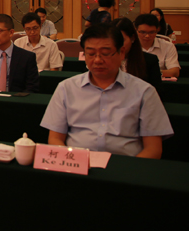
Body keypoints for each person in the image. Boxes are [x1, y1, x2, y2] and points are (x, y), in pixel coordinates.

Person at [40, 24, 173, 158]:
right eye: (91, 54)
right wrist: (72, 163)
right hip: (77, 164)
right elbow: (55, 139)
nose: (97, 60)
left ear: (121, 53)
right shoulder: (66, 88)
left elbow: (153, 149)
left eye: (105, 53)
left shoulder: (144, 92)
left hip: (126, 165)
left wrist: (129, 169)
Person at [112, 17, 162, 88]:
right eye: (113, 41)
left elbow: (156, 91)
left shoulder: (149, 61)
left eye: (121, 41)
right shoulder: (103, 61)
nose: (117, 45)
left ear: (132, 38)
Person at [134, 13, 180, 78]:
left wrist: (153, 72)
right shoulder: (129, 45)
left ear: (157, 30)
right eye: (143, 32)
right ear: (135, 30)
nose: (147, 36)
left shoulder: (168, 46)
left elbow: (175, 72)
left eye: (151, 32)